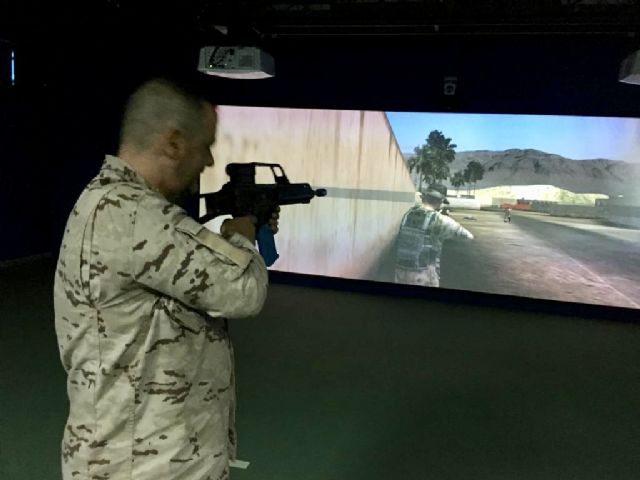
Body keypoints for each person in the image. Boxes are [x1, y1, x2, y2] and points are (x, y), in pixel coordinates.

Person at [53, 78, 278, 480]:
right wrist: (243, 233)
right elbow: (244, 289)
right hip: (142, 464)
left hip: (146, 453)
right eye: (205, 145)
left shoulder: (117, 202)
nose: (208, 160)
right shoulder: (132, 213)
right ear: (174, 143)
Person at [395, 183, 474, 287]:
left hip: (400, 271)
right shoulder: (440, 219)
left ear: (424, 197)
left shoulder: (408, 213)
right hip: (423, 275)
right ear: (440, 201)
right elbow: (468, 236)